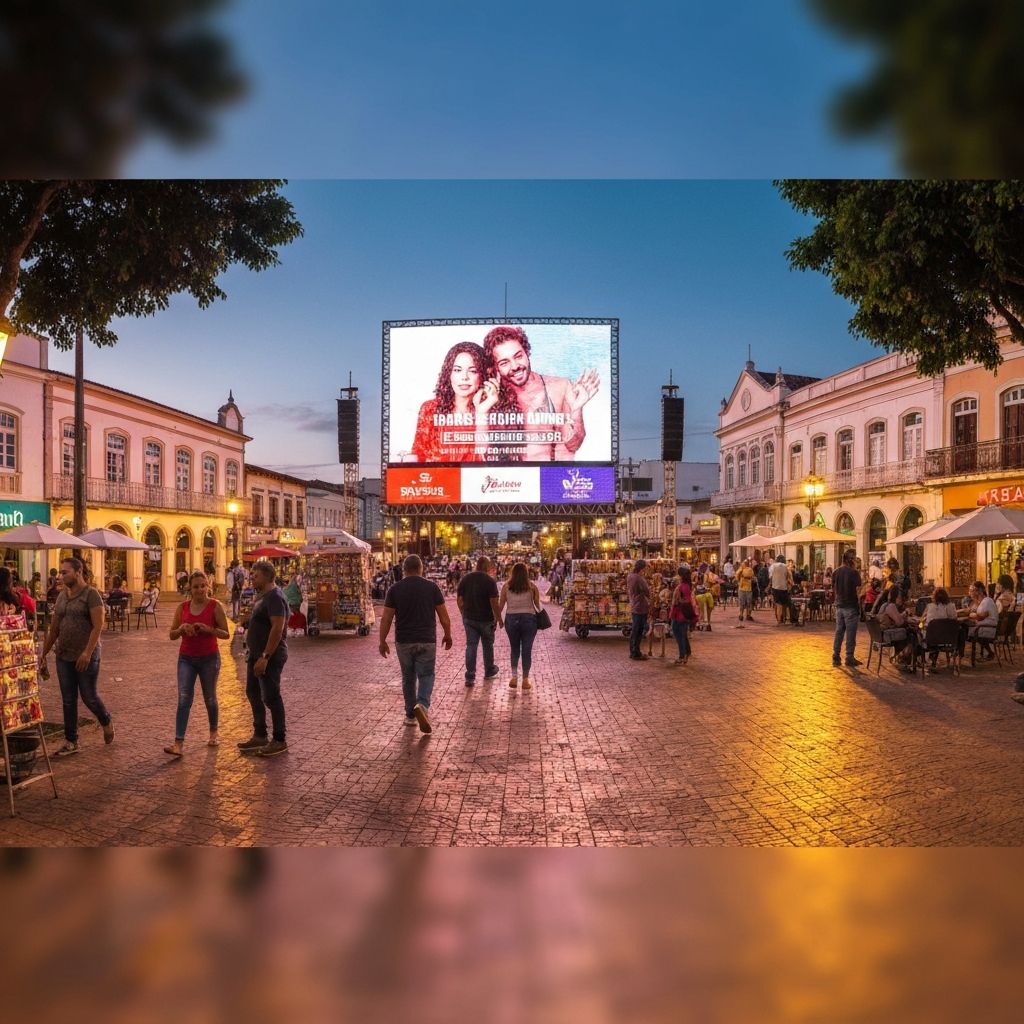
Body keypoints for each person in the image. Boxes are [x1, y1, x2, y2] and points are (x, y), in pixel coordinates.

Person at [482, 324, 600, 461]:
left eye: (518, 356)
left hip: (551, 473)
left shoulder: (560, 387)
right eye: (504, 363)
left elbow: (573, 445)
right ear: (496, 367)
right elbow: (483, 455)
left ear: (527, 353)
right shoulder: (492, 398)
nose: (515, 366)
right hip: (513, 474)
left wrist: (577, 409)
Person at [39, 557, 113, 756]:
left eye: (65, 572)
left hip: (86, 655)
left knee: (89, 696)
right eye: (60, 572)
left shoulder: (91, 594)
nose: (61, 576)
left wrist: (87, 652)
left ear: (78, 572)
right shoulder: (62, 596)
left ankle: (105, 719)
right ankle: (71, 741)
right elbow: (54, 628)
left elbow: (98, 626)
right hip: (64, 655)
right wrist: (43, 653)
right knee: (68, 699)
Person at [379, 554, 452, 733]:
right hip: (427, 639)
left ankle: (410, 715)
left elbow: (386, 618)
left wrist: (382, 641)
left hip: (404, 640)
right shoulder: (432, 588)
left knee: (408, 677)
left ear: (404, 570)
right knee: (426, 675)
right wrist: (447, 634)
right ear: (421, 568)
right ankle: (423, 706)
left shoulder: (395, 589)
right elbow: (444, 616)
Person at [411, 341, 513, 462]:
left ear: (483, 375)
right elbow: (417, 454)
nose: (464, 377)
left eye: (473, 371)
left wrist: (482, 413)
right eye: (457, 370)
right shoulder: (430, 408)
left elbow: (485, 460)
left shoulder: (492, 413)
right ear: (448, 374)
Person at [164, 570, 229, 757]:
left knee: (210, 697)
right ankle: (178, 743)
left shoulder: (215, 606)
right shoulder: (182, 608)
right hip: (186, 658)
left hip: (209, 658)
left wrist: (209, 630)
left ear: (208, 586)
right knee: (184, 698)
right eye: (195, 587)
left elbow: (226, 633)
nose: (200, 590)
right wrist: (181, 629)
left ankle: (213, 732)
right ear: (190, 588)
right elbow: (172, 634)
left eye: (202, 586)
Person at [237, 560, 290, 757]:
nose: (252, 577)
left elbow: (277, 628)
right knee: (253, 692)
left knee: (271, 696)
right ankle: (260, 734)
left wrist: (266, 656)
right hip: (255, 654)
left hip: (270, 655)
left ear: (267, 576)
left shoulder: (275, 597)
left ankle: (279, 739)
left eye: (256, 575)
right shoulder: (262, 596)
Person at [456, 555, 502, 687]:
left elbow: (459, 600)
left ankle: (470, 676)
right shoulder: (490, 581)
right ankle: (489, 670)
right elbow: (494, 602)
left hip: (470, 618)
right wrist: (498, 618)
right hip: (486, 619)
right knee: (488, 645)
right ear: (487, 566)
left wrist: (463, 614)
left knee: (471, 646)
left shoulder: (466, 579)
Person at [498, 561, 542, 690]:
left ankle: (514, 677)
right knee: (527, 649)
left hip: (511, 619)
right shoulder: (532, 586)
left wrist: (498, 620)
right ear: (526, 573)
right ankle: (525, 679)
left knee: (514, 648)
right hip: (529, 619)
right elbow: (537, 605)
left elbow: (501, 605)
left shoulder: (506, 586)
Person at [832, 550, 863, 667]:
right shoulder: (853, 572)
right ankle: (849, 656)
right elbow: (859, 587)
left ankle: (836, 655)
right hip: (850, 605)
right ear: (850, 560)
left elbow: (834, 588)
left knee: (839, 631)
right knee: (850, 633)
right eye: (854, 559)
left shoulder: (836, 572)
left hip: (839, 606)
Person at [877, 588, 917, 671]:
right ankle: (903, 658)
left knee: (907, 631)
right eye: (899, 597)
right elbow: (900, 623)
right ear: (895, 597)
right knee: (911, 633)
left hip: (881, 633)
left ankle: (901, 657)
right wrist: (909, 620)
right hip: (887, 635)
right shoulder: (891, 606)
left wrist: (905, 614)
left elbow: (896, 617)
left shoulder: (885, 605)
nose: (901, 599)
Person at [921, 587, 958, 670]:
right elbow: (954, 618)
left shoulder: (929, 607)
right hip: (947, 638)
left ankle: (929, 660)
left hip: (931, 638)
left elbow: (922, 619)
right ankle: (957, 652)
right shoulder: (951, 606)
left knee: (932, 632)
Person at [668, 566, 697, 666]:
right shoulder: (686, 585)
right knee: (682, 634)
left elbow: (686, 600)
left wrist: (678, 601)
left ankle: (682, 656)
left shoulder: (683, 586)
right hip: (681, 613)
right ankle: (687, 652)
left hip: (680, 613)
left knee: (678, 634)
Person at [625, 559, 651, 661]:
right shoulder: (639, 578)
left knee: (635, 629)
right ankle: (636, 652)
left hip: (634, 605)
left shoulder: (630, 576)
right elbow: (647, 591)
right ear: (642, 568)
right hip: (640, 606)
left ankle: (633, 651)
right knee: (638, 630)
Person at [967, 580, 999, 660]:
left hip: (987, 629)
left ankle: (959, 654)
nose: (970, 593)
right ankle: (990, 653)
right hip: (984, 627)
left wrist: (970, 615)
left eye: (972, 590)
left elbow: (981, 617)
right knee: (963, 628)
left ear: (979, 591)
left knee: (963, 630)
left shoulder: (987, 601)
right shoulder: (982, 602)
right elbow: (974, 611)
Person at [769, 555, 792, 625]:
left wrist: (769, 585)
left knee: (778, 605)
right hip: (784, 587)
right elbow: (788, 577)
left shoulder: (773, 566)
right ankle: (784, 619)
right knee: (784, 604)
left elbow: (770, 577)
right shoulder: (785, 566)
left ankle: (779, 620)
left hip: (775, 587)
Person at [735, 557, 756, 625]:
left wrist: (743, 575)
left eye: (746, 563)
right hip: (742, 588)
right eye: (744, 563)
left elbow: (750, 576)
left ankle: (748, 615)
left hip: (748, 588)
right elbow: (737, 576)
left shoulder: (750, 569)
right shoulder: (740, 569)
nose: (744, 564)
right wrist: (741, 572)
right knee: (742, 602)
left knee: (748, 602)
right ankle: (741, 614)